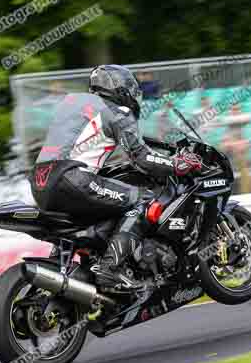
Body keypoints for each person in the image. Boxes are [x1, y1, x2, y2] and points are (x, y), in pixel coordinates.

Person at [29, 65, 203, 291]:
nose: (132, 94)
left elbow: (76, 144)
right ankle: (111, 268)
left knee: (87, 220)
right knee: (141, 200)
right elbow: (142, 158)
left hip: (40, 182)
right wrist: (177, 164)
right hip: (72, 178)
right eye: (130, 88)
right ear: (119, 88)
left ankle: (70, 267)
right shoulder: (117, 111)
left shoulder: (72, 103)